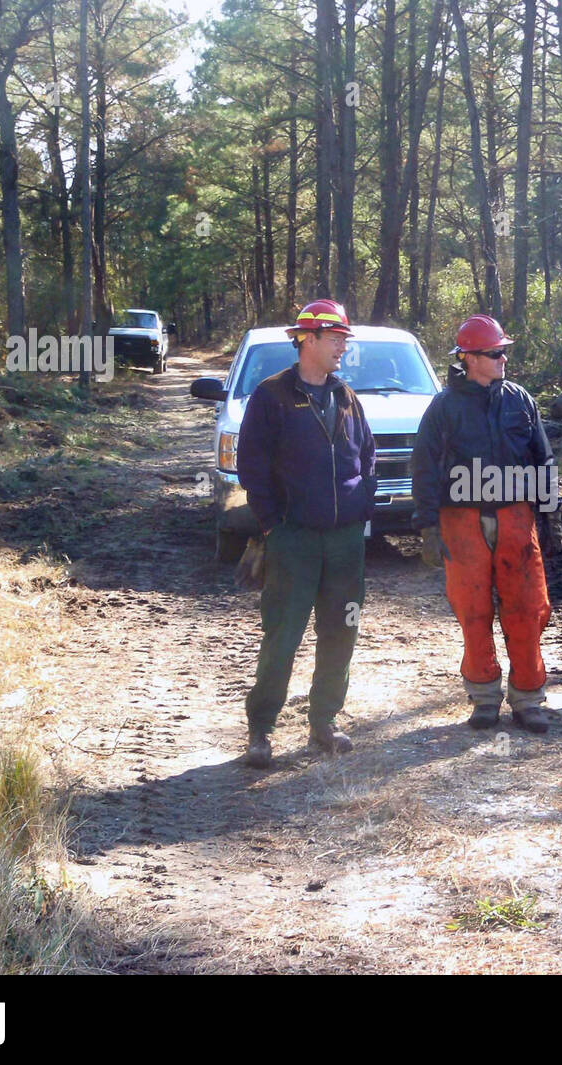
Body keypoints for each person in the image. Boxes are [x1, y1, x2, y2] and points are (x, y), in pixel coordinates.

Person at [236, 299, 376, 766]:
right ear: (307, 340)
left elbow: (368, 458)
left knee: (342, 631)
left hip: (345, 542)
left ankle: (325, 723)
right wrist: (274, 525)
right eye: (334, 338)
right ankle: (261, 730)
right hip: (293, 539)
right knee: (283, 634)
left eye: (343, 339)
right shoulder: (271, 396)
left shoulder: (346, 395)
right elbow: (251, 467)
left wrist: (361, 513)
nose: (342, 346)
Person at [411, 314, 560, 733]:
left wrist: (551, 513)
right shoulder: (443, 407)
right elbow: (423, 467)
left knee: (529, 609)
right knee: (472, 611)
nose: (502, 360)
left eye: (504, 352)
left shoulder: (520, 399)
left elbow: (542, 458)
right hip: (461, 520)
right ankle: (483, 698)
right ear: (469, 358)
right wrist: (427, 526)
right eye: (495, 354)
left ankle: (529, 699)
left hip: (516, 516)